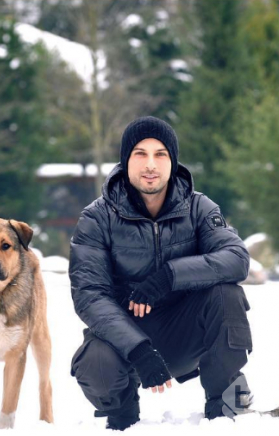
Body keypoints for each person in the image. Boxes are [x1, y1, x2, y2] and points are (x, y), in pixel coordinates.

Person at [69, 116, 252, 430]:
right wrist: (137, 348)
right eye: (140, 153)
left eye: (160, 154)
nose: (150, 164)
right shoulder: (96, 218)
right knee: (94, 361)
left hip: (185, 331)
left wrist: (170, 276)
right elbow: (89, 295)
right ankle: (122, 414)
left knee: (227, 295)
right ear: (125, 160)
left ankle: (226, 406)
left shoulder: (199, 208)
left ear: (173, 161)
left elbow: (236, 259)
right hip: (126, 339)